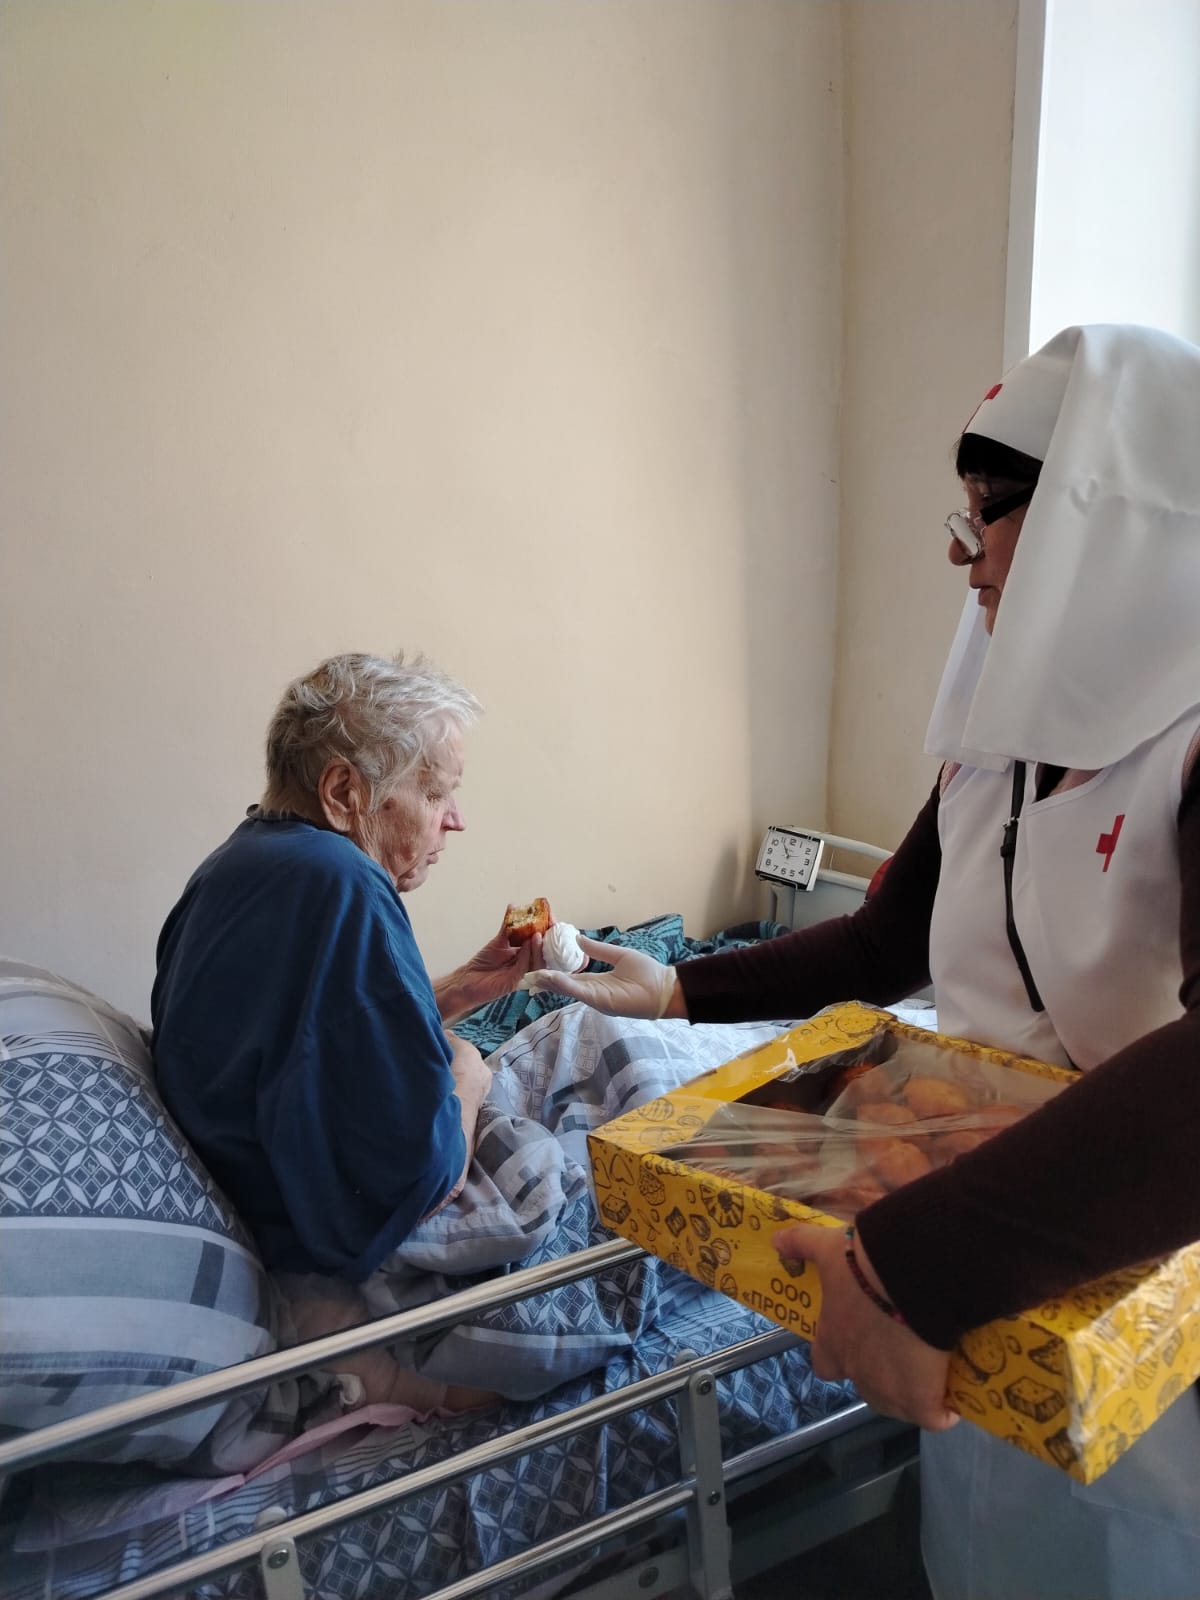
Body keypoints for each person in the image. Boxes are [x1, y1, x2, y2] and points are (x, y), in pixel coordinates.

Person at [525, 325, 1200, 1599]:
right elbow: (889, 938)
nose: (962, 557)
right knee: (984, 1551)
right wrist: (678, 987)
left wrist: (904, 1264)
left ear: (1100, 523)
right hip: (977, 1249)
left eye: (986, 515)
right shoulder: (1001, 745)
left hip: (1127, 1260)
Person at [152, 651, 547, 1410]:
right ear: (344, 793)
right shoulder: (341, 882)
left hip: (262, 1187)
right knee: (604, 1062)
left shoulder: (239, 862)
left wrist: (465, 988)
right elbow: (416, 1175)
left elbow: (315, 1036)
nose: (455, 819)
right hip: (315, 1243)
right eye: (435, 792)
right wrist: (468, 1076)